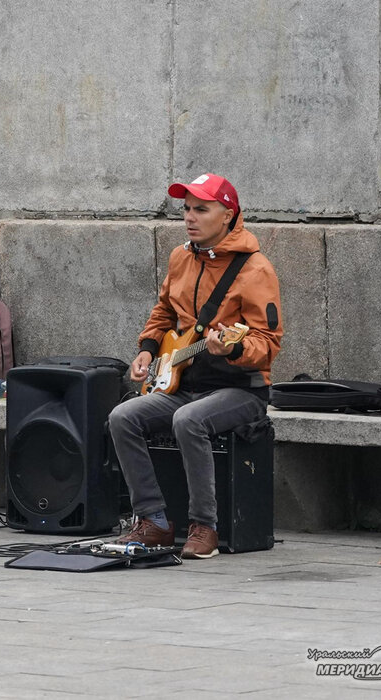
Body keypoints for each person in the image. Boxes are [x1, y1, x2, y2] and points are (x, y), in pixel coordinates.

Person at [108, 173, 282, 559]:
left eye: (201, 209)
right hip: (184, 384)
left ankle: (204, 527)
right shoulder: (180, 257)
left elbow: (267, 344)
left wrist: (231, 351)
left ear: (228, 215)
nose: (189, 216)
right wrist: (148, 350)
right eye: (186, 208)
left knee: (189, 420)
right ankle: (152, 520)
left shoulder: (256, 270)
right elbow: (165, 312)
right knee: (123, 417)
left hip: (240, 390)